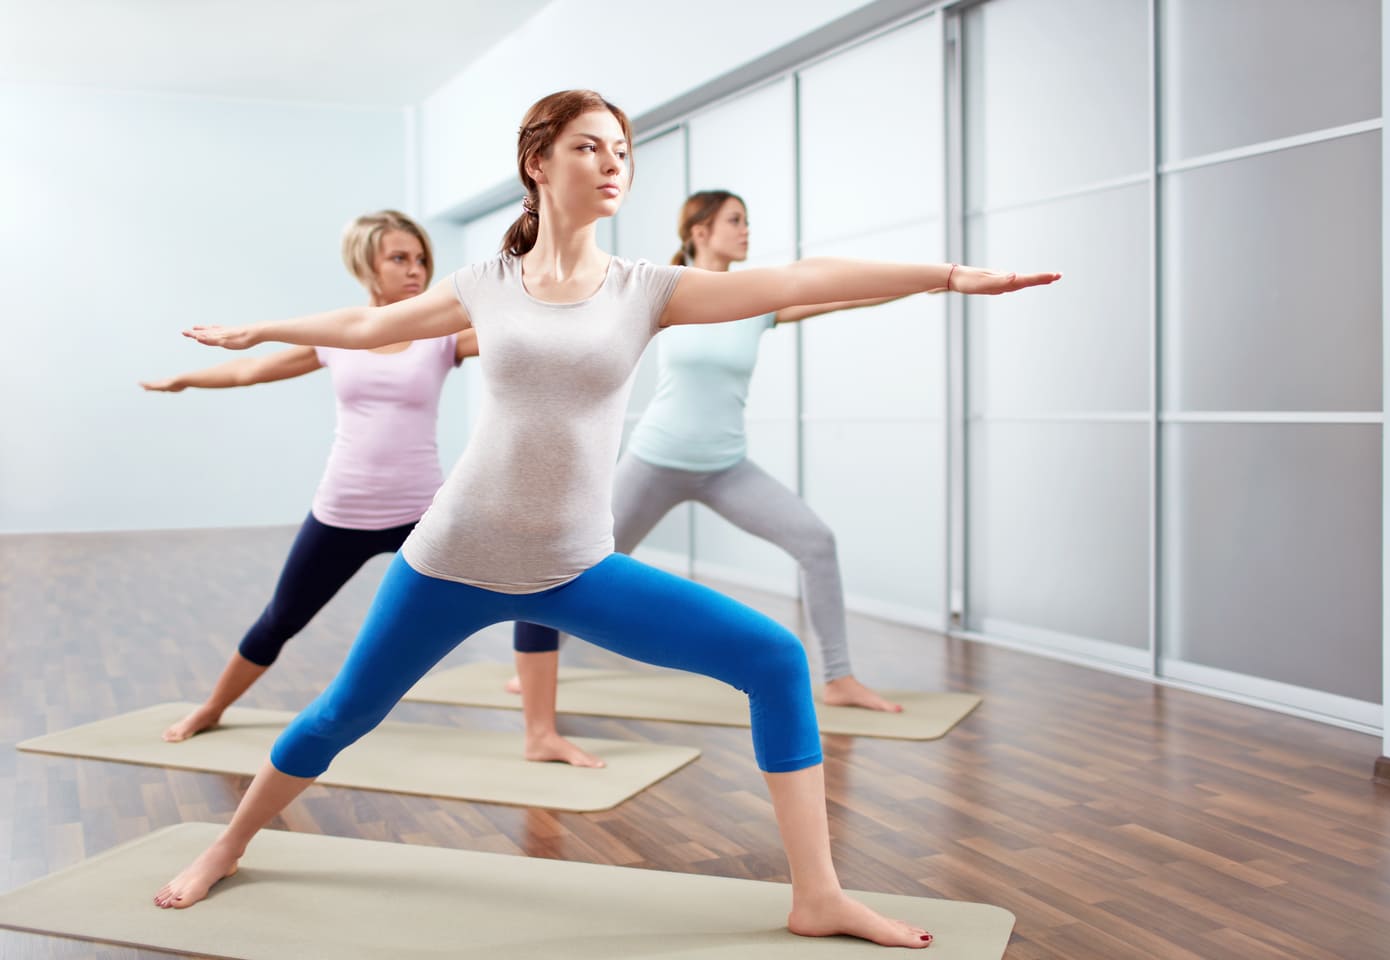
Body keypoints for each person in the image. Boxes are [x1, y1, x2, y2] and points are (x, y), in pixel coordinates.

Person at [152, 89, 1057, 949]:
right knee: (340, 717)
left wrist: (945, 275)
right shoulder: (486, 283)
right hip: (451, 556)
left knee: (774, 658)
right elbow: (365, 326)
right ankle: (228, 846)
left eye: (622, 150)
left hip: (572, 567)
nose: (612, 163)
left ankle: (817, 896)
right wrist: (261, 329)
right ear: (539, 163)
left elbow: (803, 276)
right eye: (589, 146)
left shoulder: (648, 289)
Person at [510, 190, 936, 766]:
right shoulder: (666, 291)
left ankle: (839, 678)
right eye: (736, 221)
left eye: (747, 221)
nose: (746, 231)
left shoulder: (755, 300)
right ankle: (538, 664)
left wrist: (932, 280)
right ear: (701, 231)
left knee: (816, 542)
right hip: (655, 460)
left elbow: (841, 294)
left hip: (726, 467)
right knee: (574, 555)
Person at [139, 211, 477, 743]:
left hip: (422, 514)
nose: (416, 270)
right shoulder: (336, 337)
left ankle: (535, 706)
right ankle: (211, 707)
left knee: (512, 588)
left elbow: (519, 334)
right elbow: (250, 369)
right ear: (367, 266)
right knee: (281, 619)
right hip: (343, 510)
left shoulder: (443, 338)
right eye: (399, 258)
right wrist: (187, 379)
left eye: (421, 260)